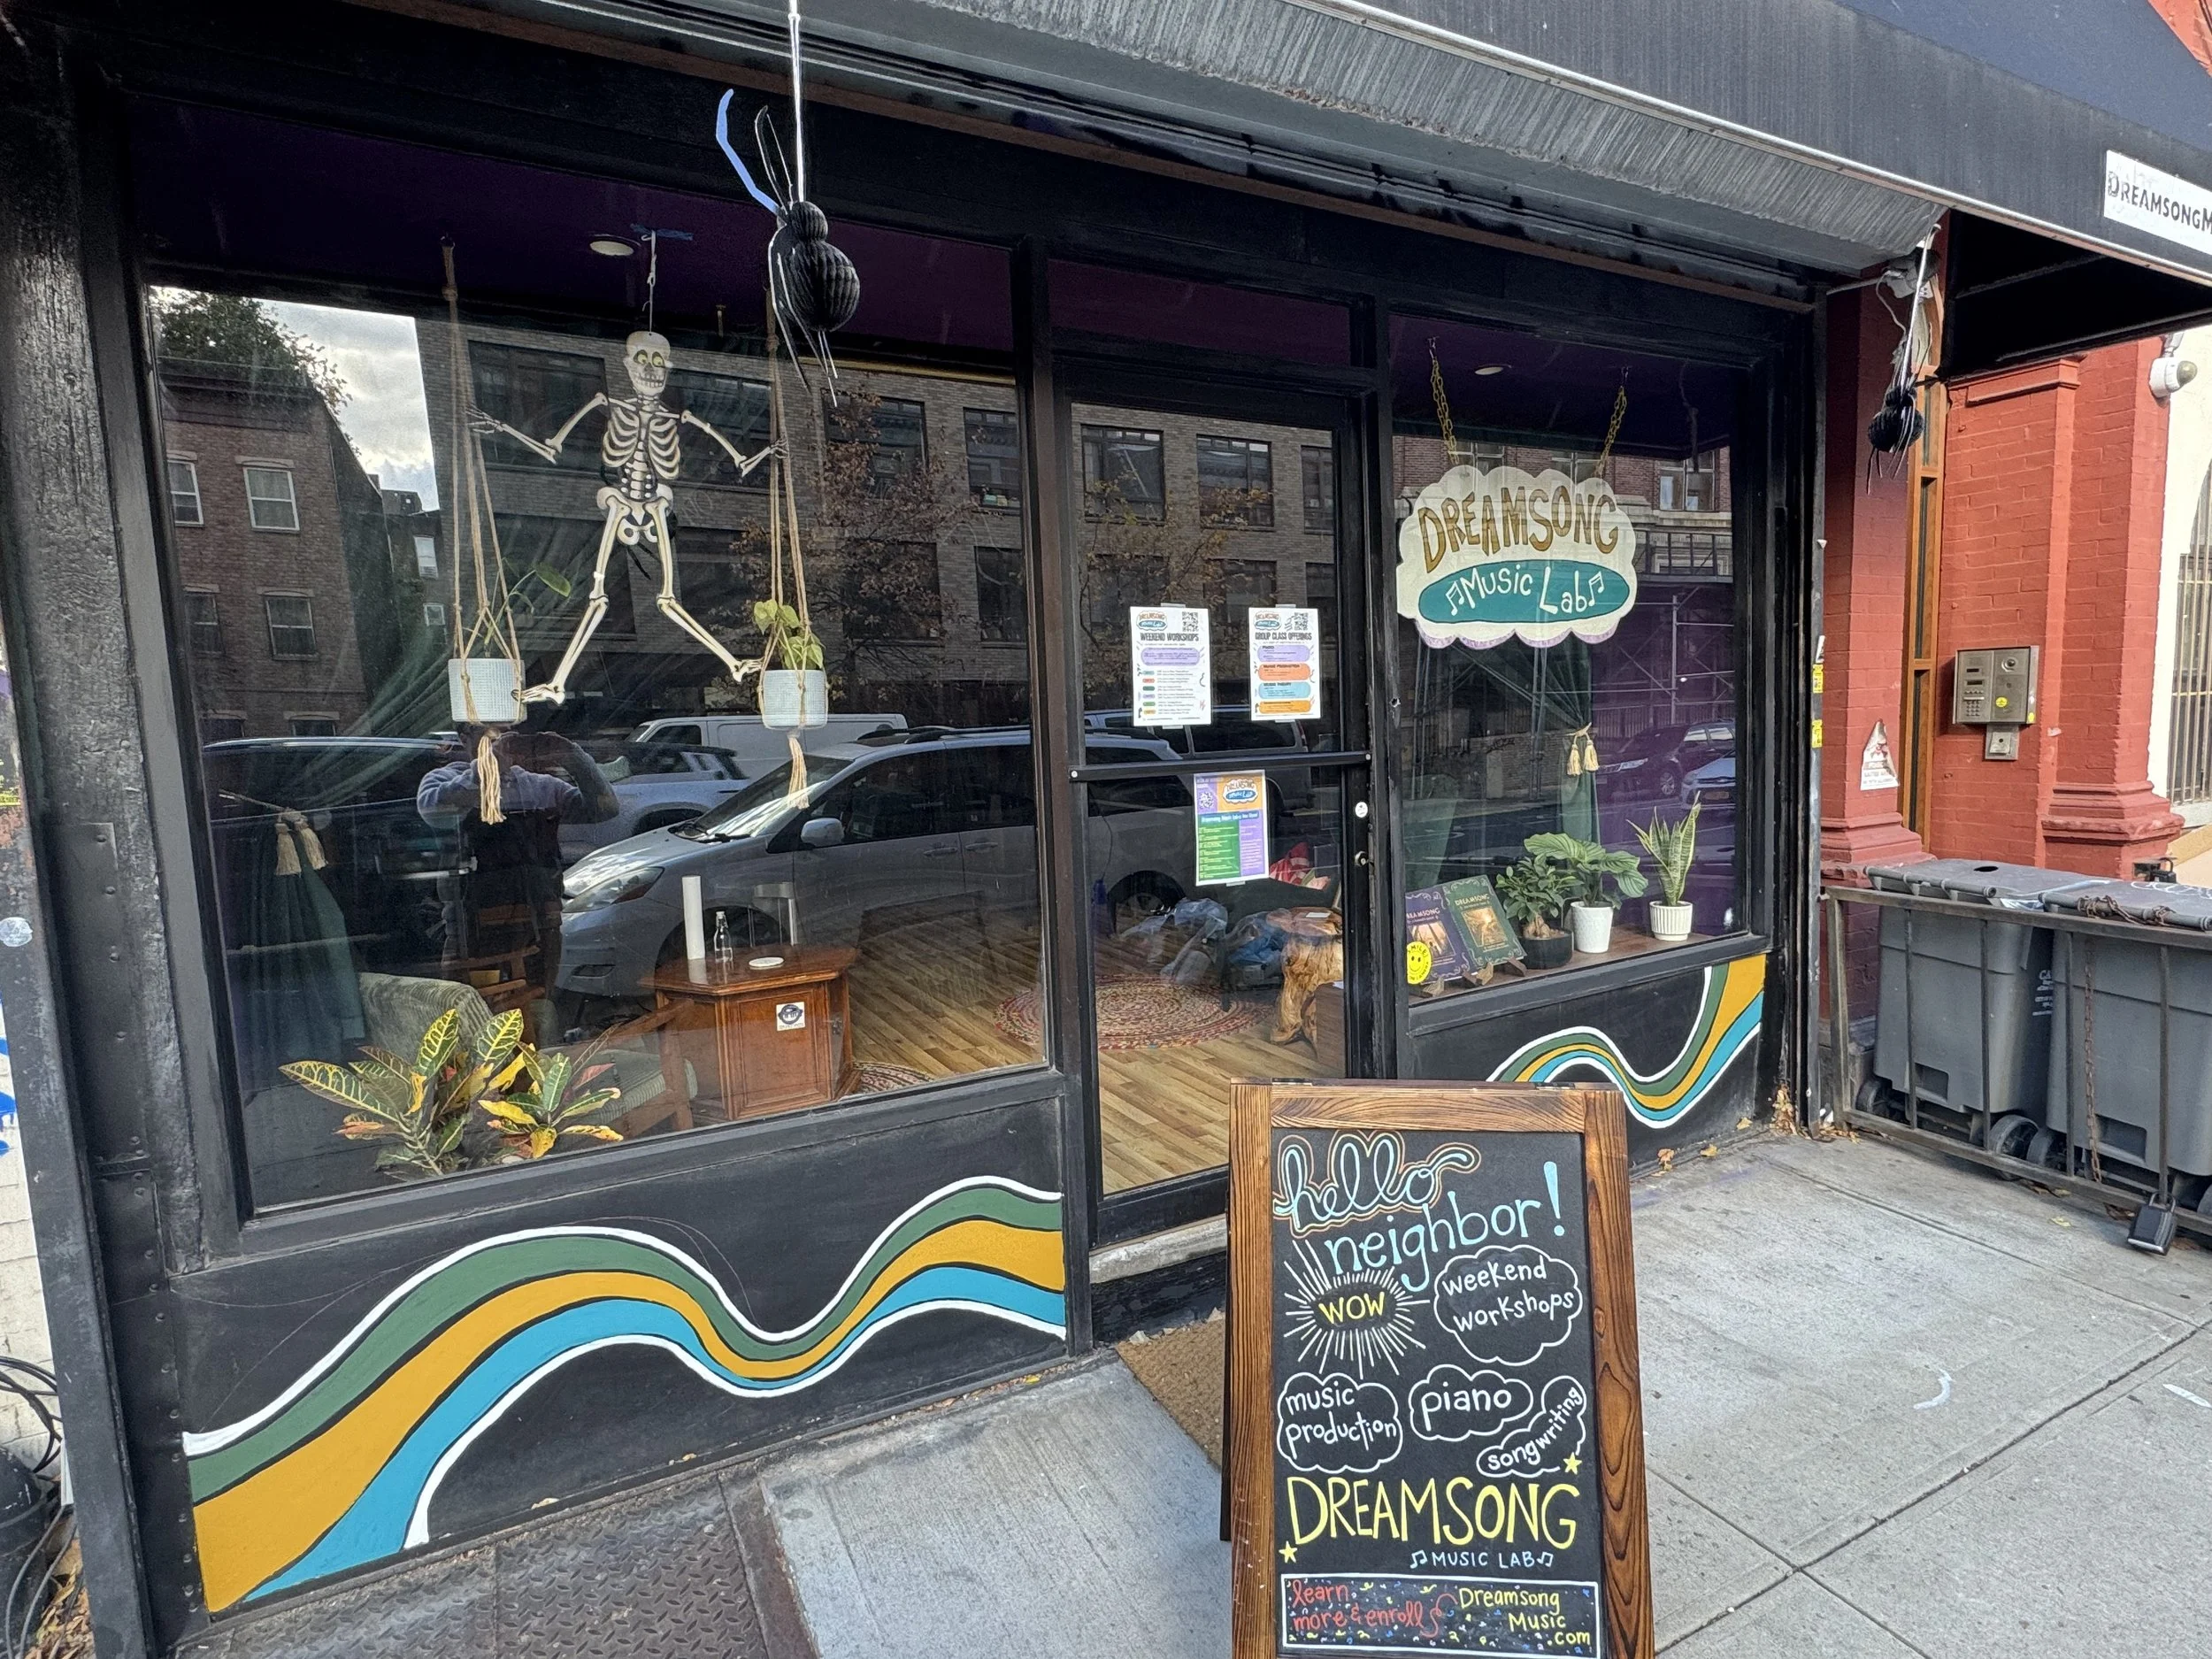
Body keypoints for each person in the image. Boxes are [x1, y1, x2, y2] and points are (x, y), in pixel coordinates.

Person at [418, 727, 618, 1038]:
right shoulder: (446, 780)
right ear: (464, 738)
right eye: (490, 736)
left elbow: (604, 809)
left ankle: (533, 1063)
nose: (502, 742)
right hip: (474, 929)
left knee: (535, 1010)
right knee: (467, 1017)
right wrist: (489, 767)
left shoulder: (539, 786)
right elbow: (435, 811)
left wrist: (572, 757)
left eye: (509, 735)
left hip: (540, 923)